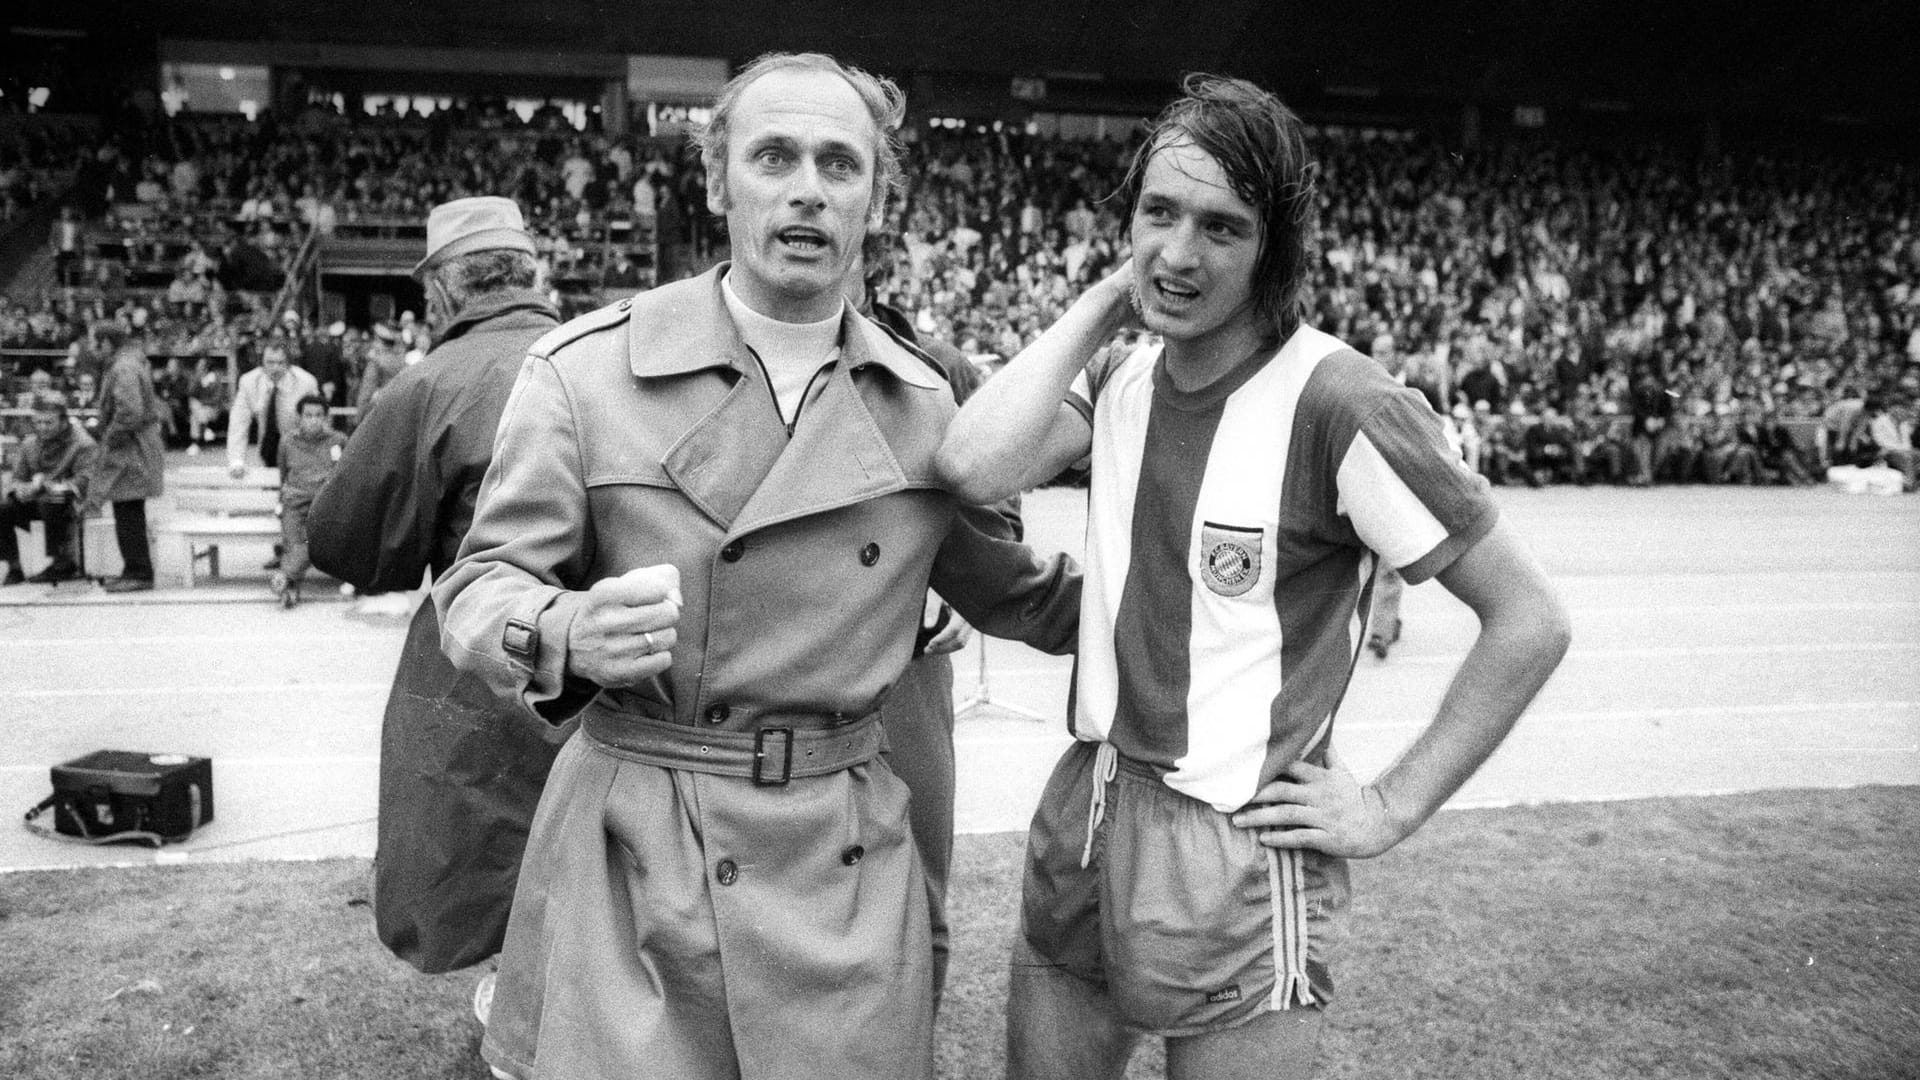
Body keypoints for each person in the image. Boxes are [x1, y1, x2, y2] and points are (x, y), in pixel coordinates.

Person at [432, 53, 1080, 1080]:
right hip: (636, 856)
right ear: (714, 180)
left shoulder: (926, 408)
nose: (807, 188)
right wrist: (562, 630)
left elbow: (1027, 598)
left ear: (876, 197)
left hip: (841, 873)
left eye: (840, 163)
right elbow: (476, 592)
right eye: (774, 155)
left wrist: (1254, 581)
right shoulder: (586, 373)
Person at [936, 74, 1571, 1080]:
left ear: (1274, 247)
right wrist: (1110, 301)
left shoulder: (1343, 402)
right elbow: (971, 465)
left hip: (1235, 844)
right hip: (1089, 806)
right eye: (1159, 214)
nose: (1181, 254)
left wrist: (1392, 806)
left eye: (1222, 227)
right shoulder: (1122, 378)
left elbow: (1529, 620)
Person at [308, 195, 569, 978]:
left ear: (446, 291)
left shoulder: (429, 386)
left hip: (488, 663)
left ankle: (522, 1011)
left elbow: (346, 543)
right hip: (609, 662)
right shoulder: (600, 356)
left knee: (492, 862)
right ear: (530, 272)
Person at [90, 334, 167, 593]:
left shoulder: (123, 368)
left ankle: (139, 572)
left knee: (128, 510)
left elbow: (129, 413)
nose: (93, 348)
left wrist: (108, 436)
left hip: (132, 448)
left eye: (96, 342)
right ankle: (133, 569)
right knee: (127, 509)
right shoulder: (130, 363)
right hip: (135, 445)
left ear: (108, 343)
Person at [0, 396, 97, 585]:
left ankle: (63, 564)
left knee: (52, 500)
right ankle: (14, 566)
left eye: (48, 422)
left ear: (63, 422)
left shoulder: (83, 444)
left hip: (71, 503)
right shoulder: (29, 444)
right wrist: (20, 489)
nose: (42, 427)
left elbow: (85, 481)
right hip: (37, 499)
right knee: (3, 507)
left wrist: (47, 485)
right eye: (38, 422)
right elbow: (17, 478)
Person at [269, 394, 346, 608]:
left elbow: (344, 476)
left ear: (326, 418)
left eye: (319, 415)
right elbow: (283, 473)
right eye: (308, 415)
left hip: (324, 505)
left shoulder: (338, 440)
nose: (313, 420)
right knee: (294, 542)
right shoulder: (287, 441)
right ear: (299, 418)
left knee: (315, 541)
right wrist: (281, 501)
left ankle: (285, 579)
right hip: (294, 501)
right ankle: (289, 582)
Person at [226, 340, 319, 476]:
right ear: (262, 363)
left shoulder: (306, 383)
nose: (275, 368)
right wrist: (236, 461)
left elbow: (317, 423)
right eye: (270, 362)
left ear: (288, 364)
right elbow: (238, 424)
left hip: (300, 453)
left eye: (280, 363)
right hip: (265, 453)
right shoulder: (248, 382)